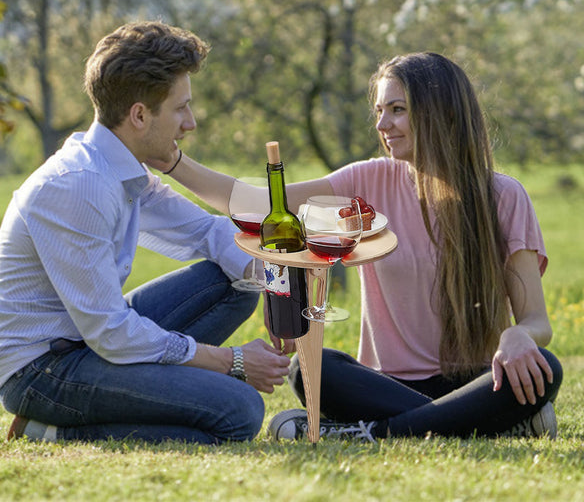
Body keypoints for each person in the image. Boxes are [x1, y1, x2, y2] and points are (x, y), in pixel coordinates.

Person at [164, 52, 562, 441]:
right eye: (379, 111)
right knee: (311, 368)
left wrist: (518, 336)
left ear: (443, 112)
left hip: (476, 381)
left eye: (398, 109)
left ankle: (368, 433)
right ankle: (479, 424)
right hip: (381, 386)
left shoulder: (504, 196)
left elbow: (536, 322)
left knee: (546, 367)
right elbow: (259, 204)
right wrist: (171, 160)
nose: (383, 124)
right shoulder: (369, 181)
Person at [0, 21, 290, 445]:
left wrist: (281, 292)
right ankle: (49, 429)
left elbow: (209, 233)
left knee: (237, 281)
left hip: (88, 343)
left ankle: (142, 394)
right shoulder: (81, 184)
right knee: (240, 410)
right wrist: (232, 362)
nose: (191, 123)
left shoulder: (122, 168)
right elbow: (110, 331)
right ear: (140, 115)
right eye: (181, 108)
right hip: (42, 370)